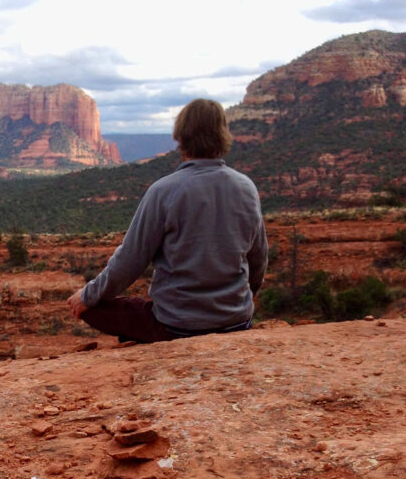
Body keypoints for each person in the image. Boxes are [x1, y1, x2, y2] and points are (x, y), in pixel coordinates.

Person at [66, 98, 267, 343]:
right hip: (236, 322)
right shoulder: (246, 188)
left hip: (176, 326)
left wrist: (87, 296)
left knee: (94, 307)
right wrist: (240, 300)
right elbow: (258, 260)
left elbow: (130, 260)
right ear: (223, 135)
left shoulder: (163, 191)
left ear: (180, 137)